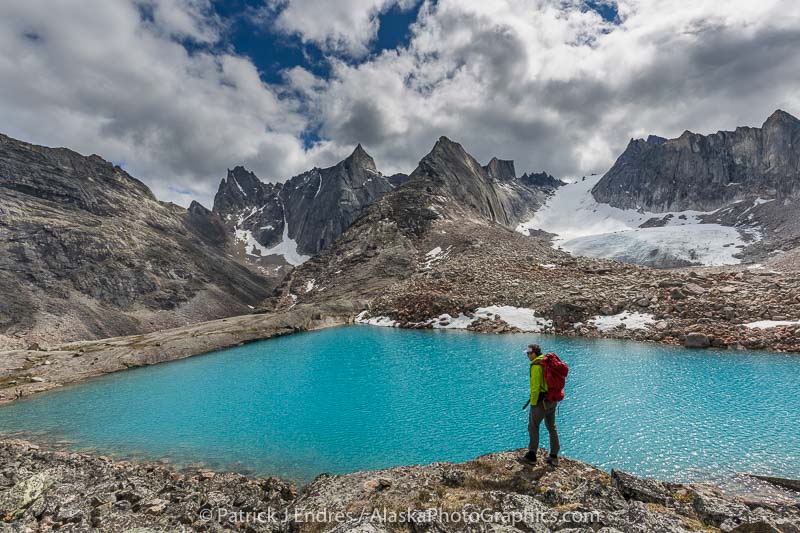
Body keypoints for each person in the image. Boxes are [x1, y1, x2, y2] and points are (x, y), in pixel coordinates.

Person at [522, 343, 560, 466]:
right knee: (551, 427)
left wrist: (533, 404)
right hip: (552, 400)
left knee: (533, 426)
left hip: (540, 401)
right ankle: (554, 455)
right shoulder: (547, 362)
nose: (527, 356)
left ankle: (532, 455)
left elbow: (535, 387)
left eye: (529, 353)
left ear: (534, 353)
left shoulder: (536, 366)